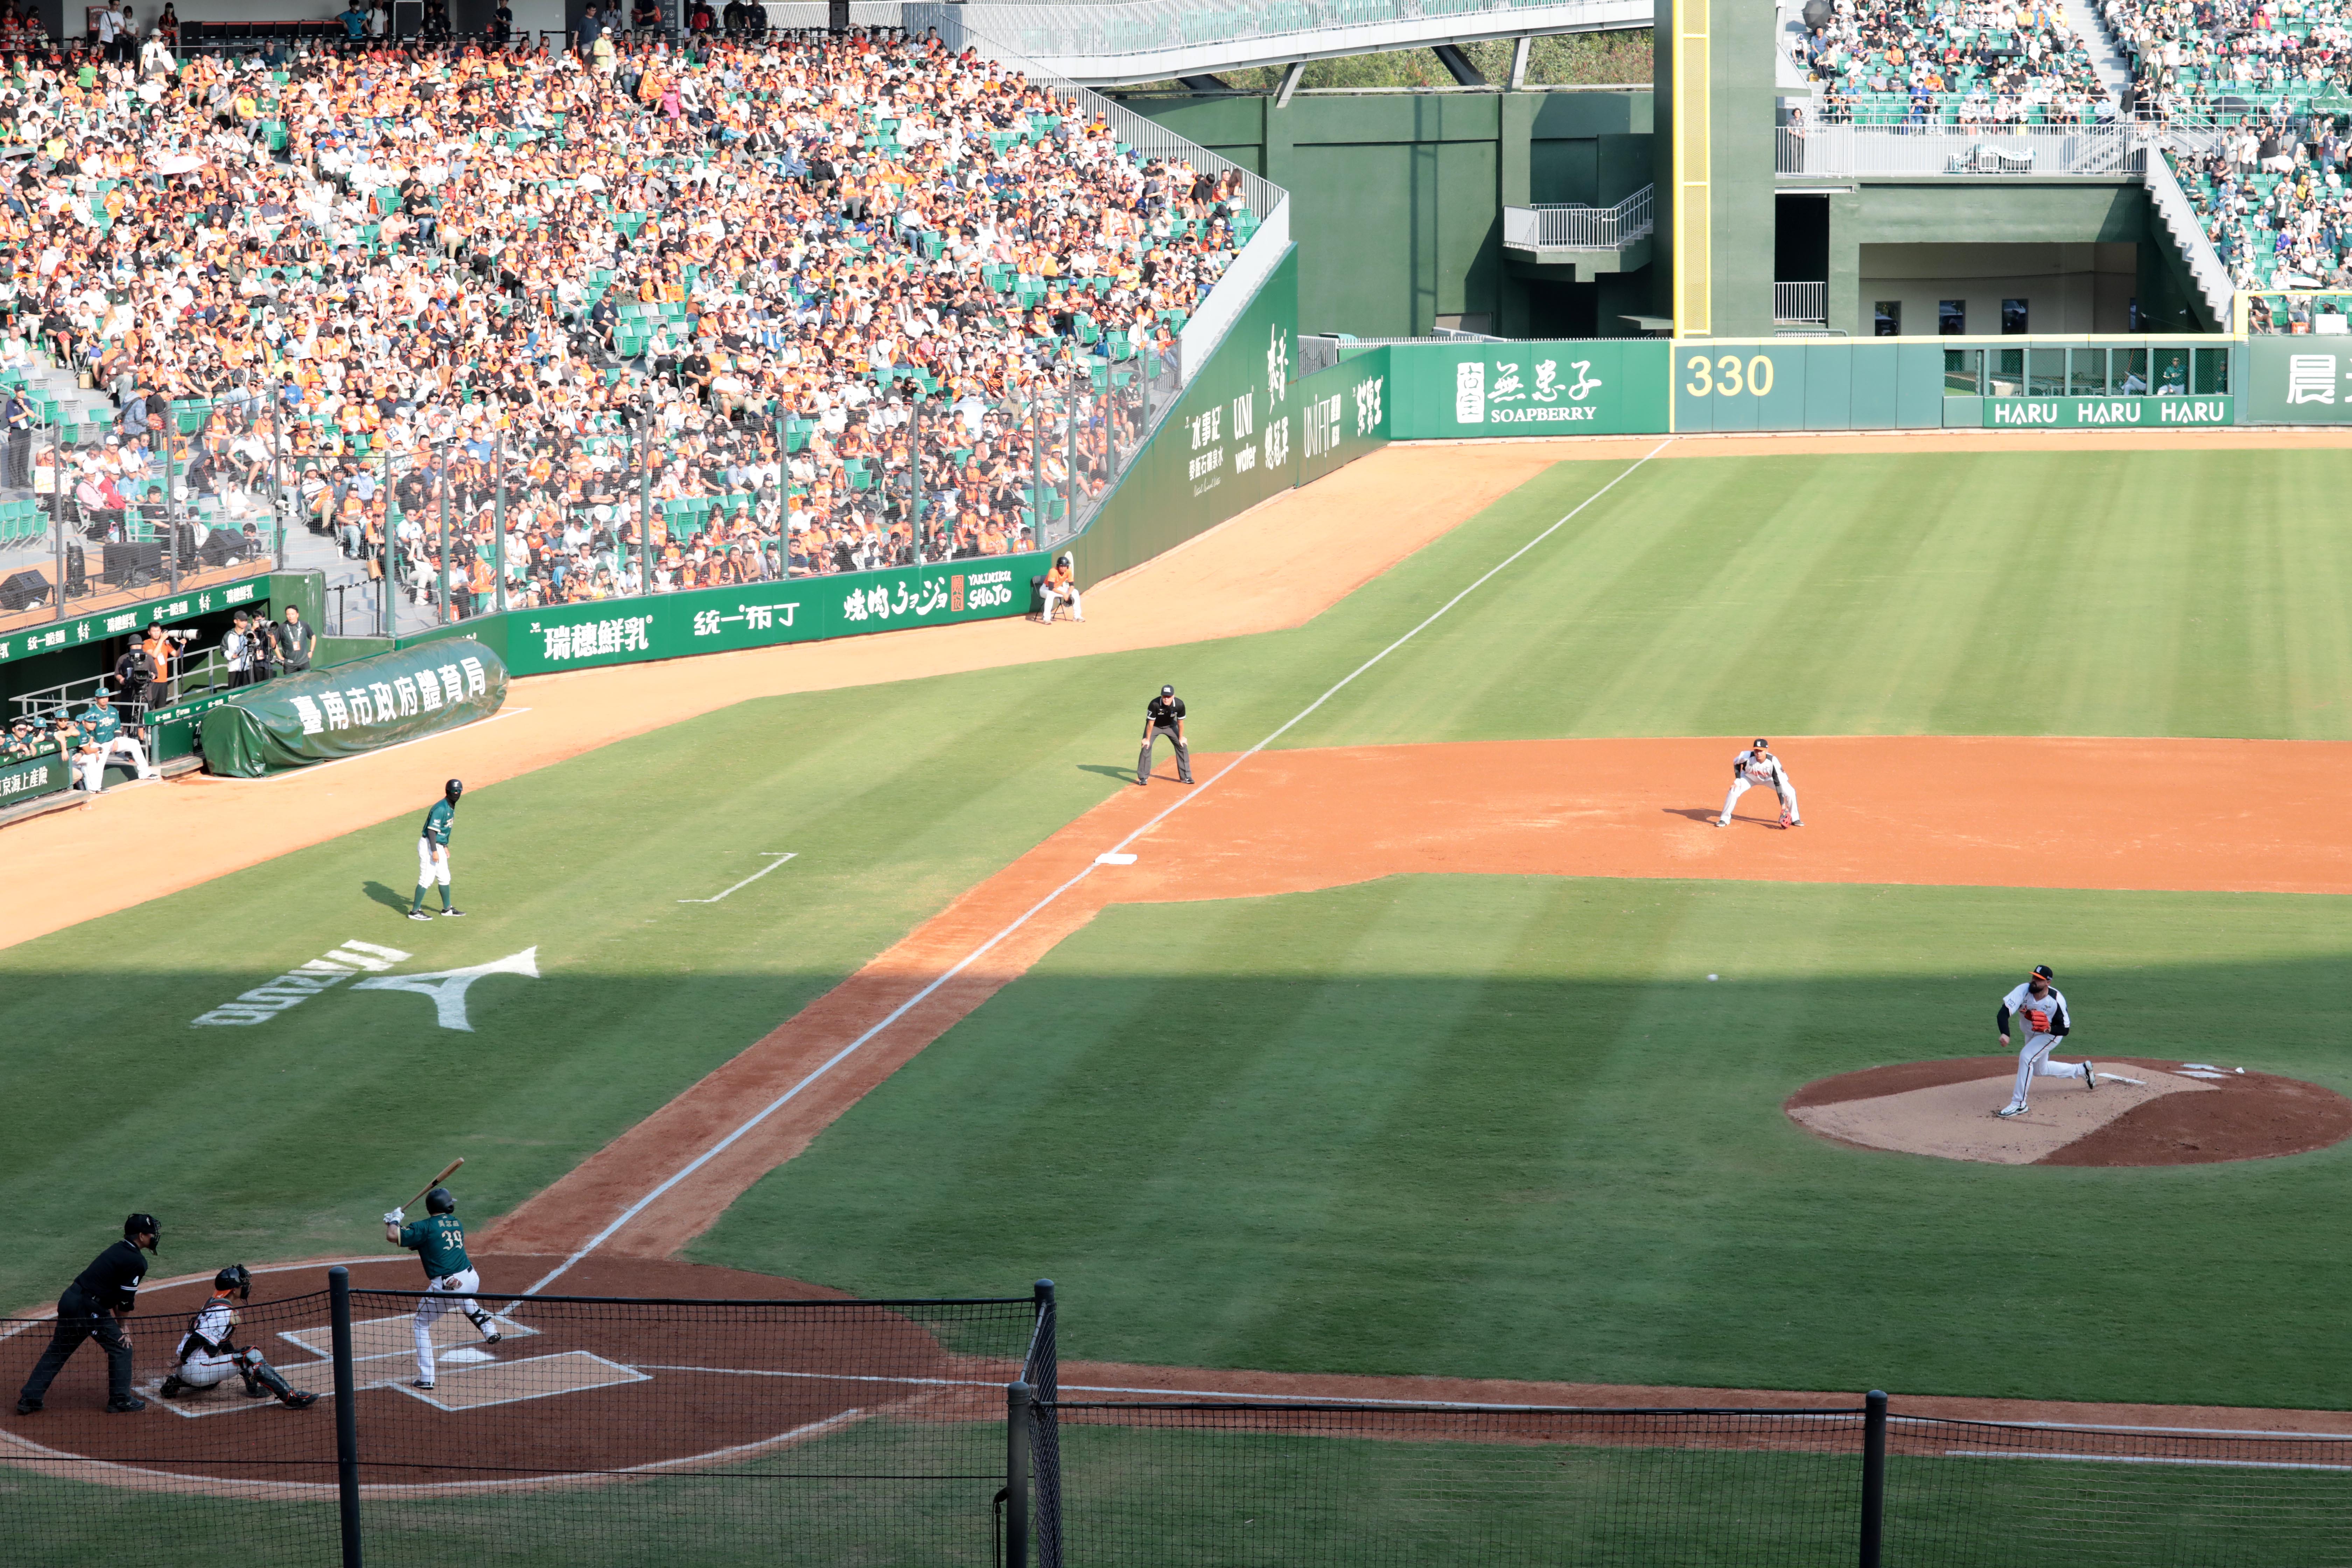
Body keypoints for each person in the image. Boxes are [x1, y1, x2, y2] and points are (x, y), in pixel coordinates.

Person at [16, 1213, 161, 1414]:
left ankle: (30, 1399)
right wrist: (123, 1326)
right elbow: (126, 1301)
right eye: (151, 1234)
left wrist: (121, 1324)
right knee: (122, 1348)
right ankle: (120, 1400)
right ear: (141, 1236)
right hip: (88, 1308)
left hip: (71, 1300)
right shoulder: (136, 1261)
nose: (154, 1237)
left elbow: (118, 1297)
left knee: (59, 1350)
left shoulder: (118, 1249)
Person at [383, 1187, 502, 1391]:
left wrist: (395, 1221)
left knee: (421, 1324)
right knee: (463, 1297)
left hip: (448, 1285)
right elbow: (416, 1242)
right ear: (448, 1205)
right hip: (471, 1278)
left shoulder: (424, 1227)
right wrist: (396, 1226)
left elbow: (393, 1237)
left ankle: (427, 1377)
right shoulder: (457, 1224)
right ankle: (489, 1329)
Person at [158, 1266, 320, 1410]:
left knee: (235, 1362)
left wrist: (241, 1366)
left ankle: (178, 1381)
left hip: (190, 1369)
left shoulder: (213, 1303)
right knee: (251, 1355)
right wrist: (183, 1359)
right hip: (195, 1369)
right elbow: (197, 1338)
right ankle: (291, 1398)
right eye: (243, 1285)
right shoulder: (224, 1313)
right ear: (234, 1290)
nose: (246, 1287)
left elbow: (221, 1342)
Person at [1994, 965, 2095, 1118]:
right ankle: (2082, 1070)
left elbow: (2065, 1029)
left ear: (2048, 983)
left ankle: (2019, 1104)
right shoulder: (2023, 990)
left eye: (2039, 979)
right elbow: (2003, 1013)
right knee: (2040, 1071)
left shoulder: (2056, 1000)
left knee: (2026, 1057)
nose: (2034, 981)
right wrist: (2005, 1034)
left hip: (2050, 1035)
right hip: (2031, 1034)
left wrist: (2048, 1028)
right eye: (2034, 977)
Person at [75, 681, 156, 791]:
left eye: (106, 697)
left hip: (112, 741)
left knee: (135, 744)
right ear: (96, 699)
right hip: (98, 743)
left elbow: (118, 728)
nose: (105, 699)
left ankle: (145, 773)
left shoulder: (113, 710)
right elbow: (87, 731)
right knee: (98, 766)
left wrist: (117, 741)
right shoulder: (91, 712)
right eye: (102, 697)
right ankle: (96, 788)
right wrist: (93, 747)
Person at [409, 777, 464, 920]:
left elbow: (443, 830)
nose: (457, 793)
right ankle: (415, 912)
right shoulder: (441, 808)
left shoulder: (451, 805)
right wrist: (434, 850)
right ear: (448, 791)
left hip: (438, 845)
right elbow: (432, 831)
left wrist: (445, 847)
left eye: (459, 791)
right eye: (454, 791)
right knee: (426, 879)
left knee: (445, 877)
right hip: (429, 844)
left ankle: (447, 909)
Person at [1716, 739, 1801, 828]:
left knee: (1790, 792)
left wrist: (1783, 805)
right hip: (1749, 778)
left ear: (1767, 751)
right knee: (1734, 791)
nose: (1758, 753)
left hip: (1770, 780)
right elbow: (1736, 764)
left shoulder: (1773, 762)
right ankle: (1724, 819)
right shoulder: (1746, 756)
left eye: (1761, 751)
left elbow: (1777, 782)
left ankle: (1795, 819)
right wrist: (1738, 780)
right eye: (1756, 751)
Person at [1137, 682, 1191, 787]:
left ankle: (1186, 777)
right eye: (1164, 696)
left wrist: (1181, 738)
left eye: (1168, 697)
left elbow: (1180, 722)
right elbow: (1150, 723)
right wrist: (1147, 739)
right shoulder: (1155, 704)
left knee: (1182, 745)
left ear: (1173, 696)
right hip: (1155, 727)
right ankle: (1143, 778)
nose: (1166, 699)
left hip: (1170, 726)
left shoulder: (1180, 705)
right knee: (1146, 747)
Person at [1039, 551, 1083, 624]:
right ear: (1058, 566)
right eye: (1062, 566)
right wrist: (1064, 594)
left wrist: (1068, 594)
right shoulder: (1053, 571)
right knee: (1051, 594)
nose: (1063, 568)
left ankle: (1077, 616)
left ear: (1067, 567)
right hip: (1045, 589)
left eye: (1065, 566)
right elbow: (1051, 588)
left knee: (1075, 592)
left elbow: (1072, 585)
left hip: (1057, 588)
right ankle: (1047, 619)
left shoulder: (1068, 572)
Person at [277, 603, 315, 674]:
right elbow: (274, 643)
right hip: (290, 665)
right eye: (288, 614)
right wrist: (280, 657)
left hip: (304, 662)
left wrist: (311, 651)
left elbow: (313, 637)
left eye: (293, 614)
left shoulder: (304, 625)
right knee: (290, 684)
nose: (291, 617)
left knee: (307, 683)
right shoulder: (282, 627)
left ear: (297, 615)